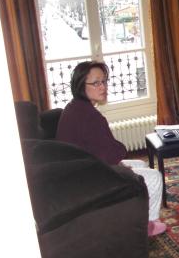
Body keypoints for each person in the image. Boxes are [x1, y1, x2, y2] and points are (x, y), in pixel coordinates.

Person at [56, 61, 166, 236]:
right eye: (96, 83)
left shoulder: (74, 107)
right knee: (154, 177)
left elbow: (101, 149)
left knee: (141, 165)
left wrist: (118, 160)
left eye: (104, 81)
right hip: (89, 178)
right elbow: (113, 153)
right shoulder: (90, 117)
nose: (103, 87)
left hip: (82, 169)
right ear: (80, 85)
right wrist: (120, 165)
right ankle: (147, 224)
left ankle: (138, 214)